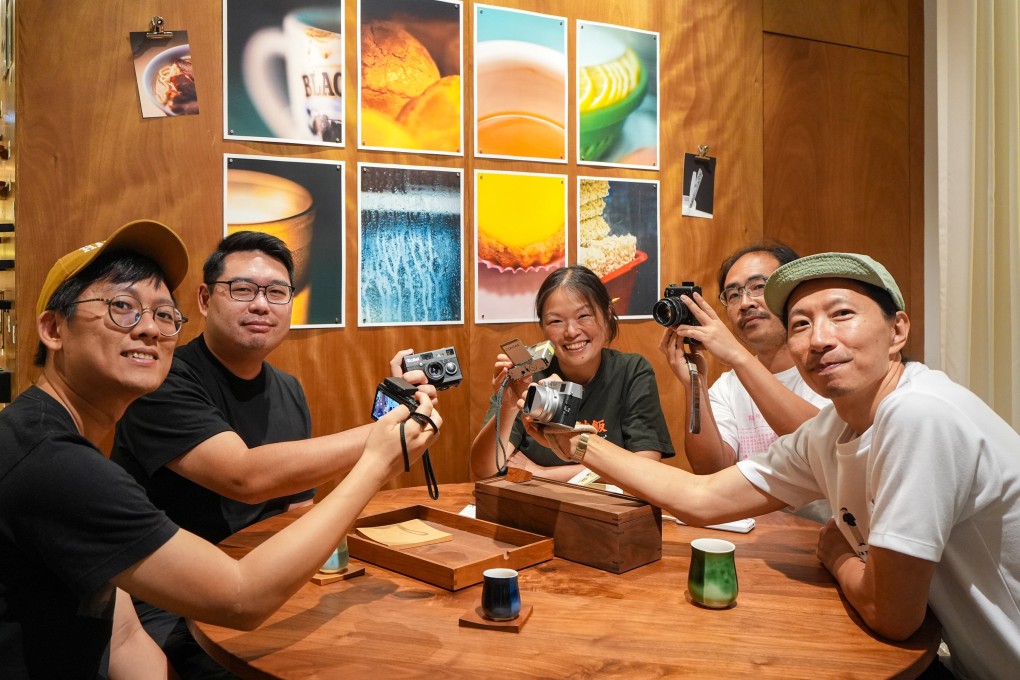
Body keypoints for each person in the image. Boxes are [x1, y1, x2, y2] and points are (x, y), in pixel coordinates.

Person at [525, 252, 1020, 680]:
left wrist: (836, 553)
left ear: (898, 330)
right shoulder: (831, 430)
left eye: (841, 314)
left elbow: (892, 615)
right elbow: (701, 498)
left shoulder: (919, 413)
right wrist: (574, 443)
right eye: (802, 323)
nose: (819, 338)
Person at [0, 220, 440, 678]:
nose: (149, 329)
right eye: (122, 307)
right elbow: (241, 571)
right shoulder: (53, 460)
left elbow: (122, 631)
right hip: (193, 605)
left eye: (163, 314)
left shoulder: (61, 442)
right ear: (53, 329)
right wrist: (377, 454)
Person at [470, 264, 674, 482]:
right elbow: (485, 469)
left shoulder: (631, 372)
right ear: (543, 327)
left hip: (607, 509)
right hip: (539, 506)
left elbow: (647, 464)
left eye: (583, 315)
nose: (571, 331)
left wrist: (542, 473)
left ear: (607, 315)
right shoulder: (529, 379)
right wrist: (508, 405)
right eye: (556, 321)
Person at [658, 241, 829, 473]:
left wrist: (738, 356)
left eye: (758, 286)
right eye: (734, 294)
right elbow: (710, 469)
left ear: (794, 292)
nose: (745, 303)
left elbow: (822, 446)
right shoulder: (727, 387)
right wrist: (694, 385)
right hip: (751, 510)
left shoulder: (827, 367)